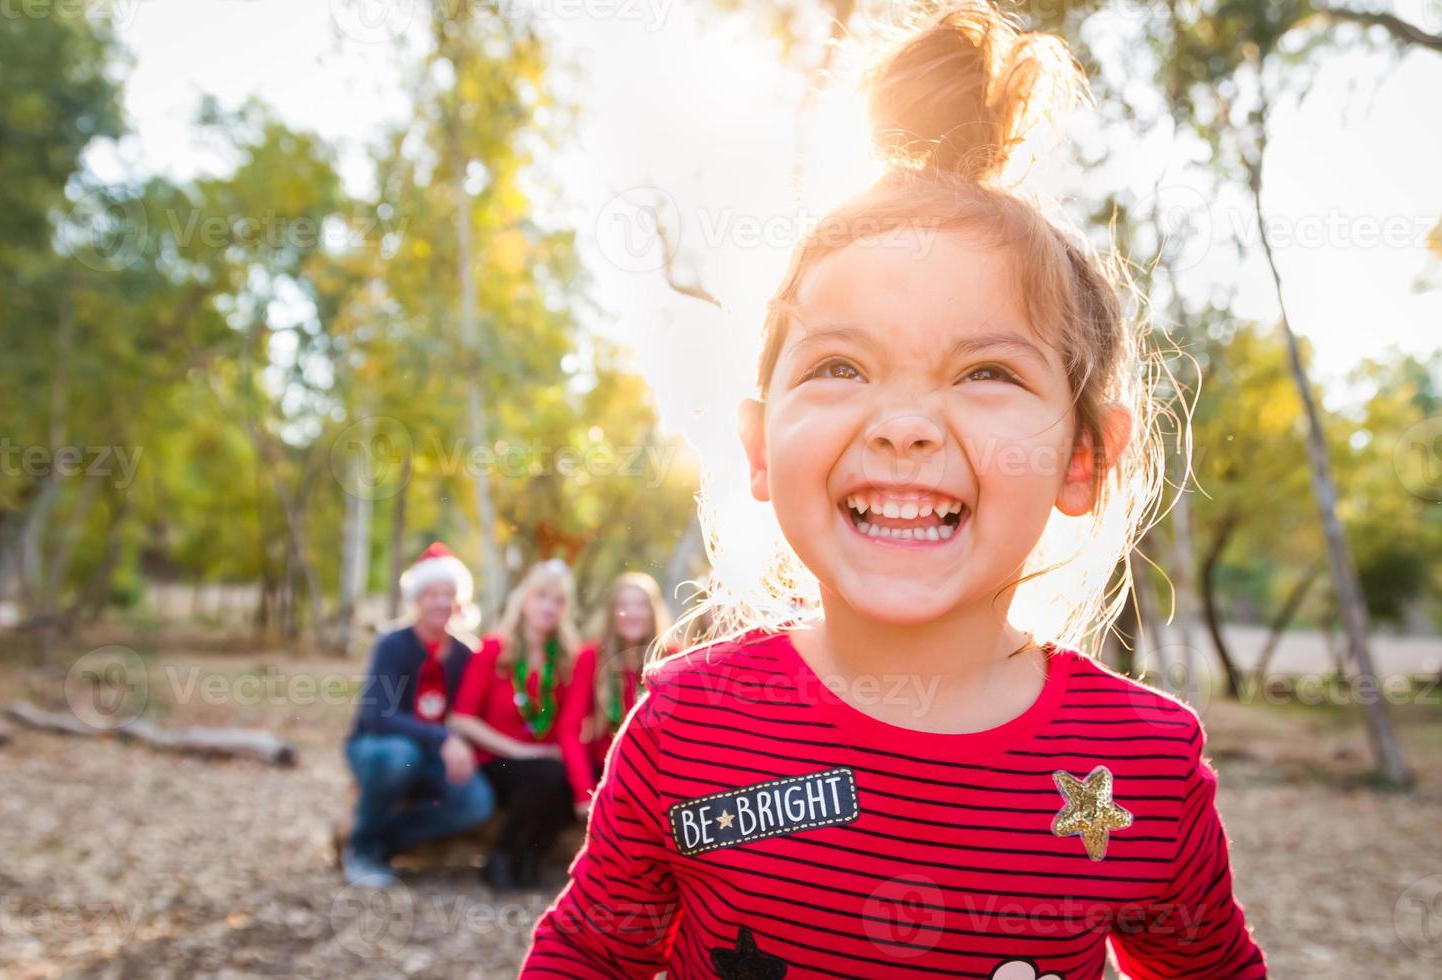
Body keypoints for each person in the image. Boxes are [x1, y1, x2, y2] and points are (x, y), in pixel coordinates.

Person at [522, 3, 1267, 977]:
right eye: (841, 365)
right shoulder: (687, 729)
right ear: (757, 443)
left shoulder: (1143, 768)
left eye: (986, 372)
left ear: (1083, 458)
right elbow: (589, 956)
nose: (903, 422)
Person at [343, 542, 495, 887]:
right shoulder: (392, 645)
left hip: (434, 755)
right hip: (376, 747)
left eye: (448, 594)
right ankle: (360, 850)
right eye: (432, 594)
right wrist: (442, 737)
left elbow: (470, 712)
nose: (441, 602)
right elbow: (377, 716)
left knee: (476, 802)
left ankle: (383, 842)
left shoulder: (466, 653)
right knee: (400, 755)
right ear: (416, 599)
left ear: (459, 601)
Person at [452, 558, 580, 891]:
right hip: (495, 761)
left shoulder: (565, 661)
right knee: (547, 773)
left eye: (558, 601)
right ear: (525, 599)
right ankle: (501, 856)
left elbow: (569, 723)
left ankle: (529, 857)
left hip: (543, 763)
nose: (549, 607)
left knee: (570, 782)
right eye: (542, 596)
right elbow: (461, 718)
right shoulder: (494, 649)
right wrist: (522, 751)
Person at [557, 572, 672, 818]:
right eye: (623, 605)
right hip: (607, 773)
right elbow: (570, 729)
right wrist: (584, 792)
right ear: (611, 613)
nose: (632, 613)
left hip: (657, 775)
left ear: (654, 611)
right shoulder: (591, 658)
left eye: (641, 605)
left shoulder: (672, 658)